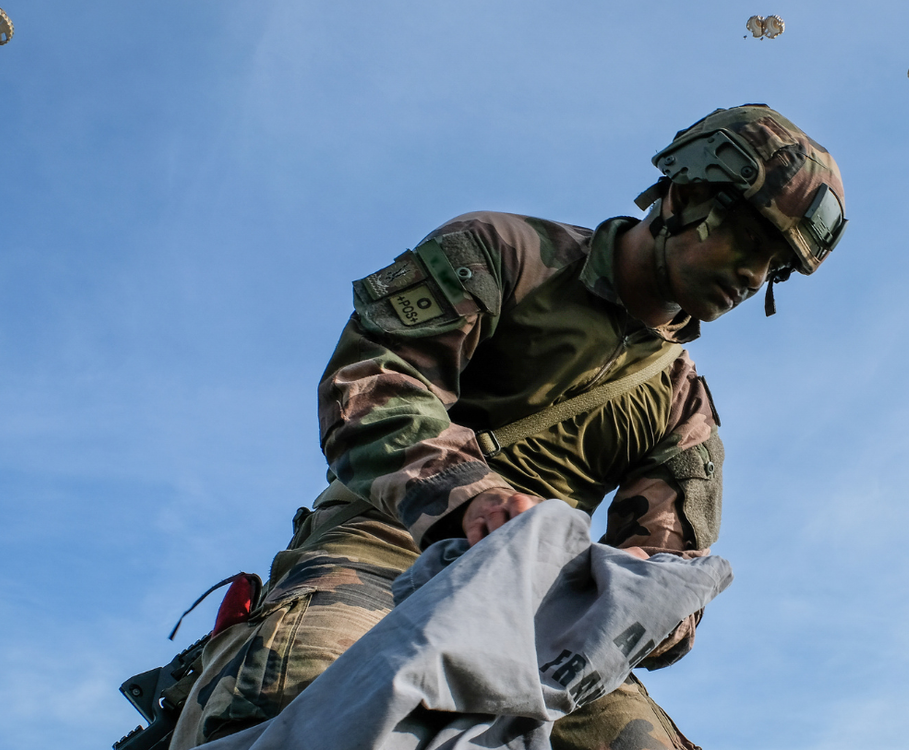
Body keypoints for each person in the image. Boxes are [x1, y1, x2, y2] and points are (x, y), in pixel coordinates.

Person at [168, 104, 846, 750]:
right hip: (382, 548)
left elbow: (670, 574)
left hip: (542, 619)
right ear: (682, 195)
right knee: (315, 697)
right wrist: (468, 495)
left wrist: (651, 598)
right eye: (749, 239)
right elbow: (373, 384)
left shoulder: (682, 407)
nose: (755, 275)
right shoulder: (505, 254)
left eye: (776, 265)